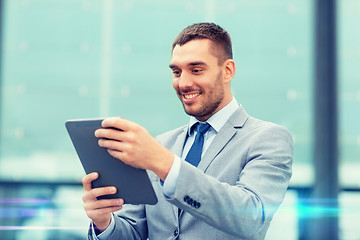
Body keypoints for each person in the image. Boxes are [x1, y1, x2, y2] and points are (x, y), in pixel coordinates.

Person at [82, 22, 293, 240]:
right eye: (176, 72)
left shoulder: (268, 138)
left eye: (196, 70)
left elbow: (251, 219)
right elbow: (134, 232)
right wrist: (103, 223)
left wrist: (165, 164)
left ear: (227, 71)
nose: (183, 83)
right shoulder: (161, 144)